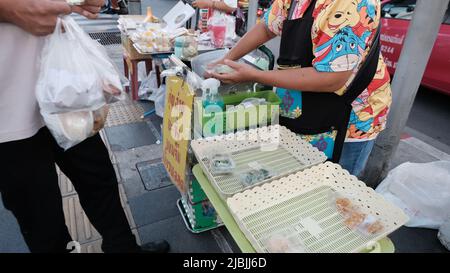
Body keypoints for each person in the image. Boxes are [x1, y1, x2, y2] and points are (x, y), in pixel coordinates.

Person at [0, 0, 169, 253]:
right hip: (7, 110)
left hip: (64, 89)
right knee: (40, 214)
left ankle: (123, 249)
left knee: (100, 180)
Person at [210, 0, 392, 178]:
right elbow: (268, 26)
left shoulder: (354, 3)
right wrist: (226, 60)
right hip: (303, 103)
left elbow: (330, 79)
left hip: (352, 115)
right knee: (297, 176)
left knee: (334, 188)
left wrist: (254, 75)